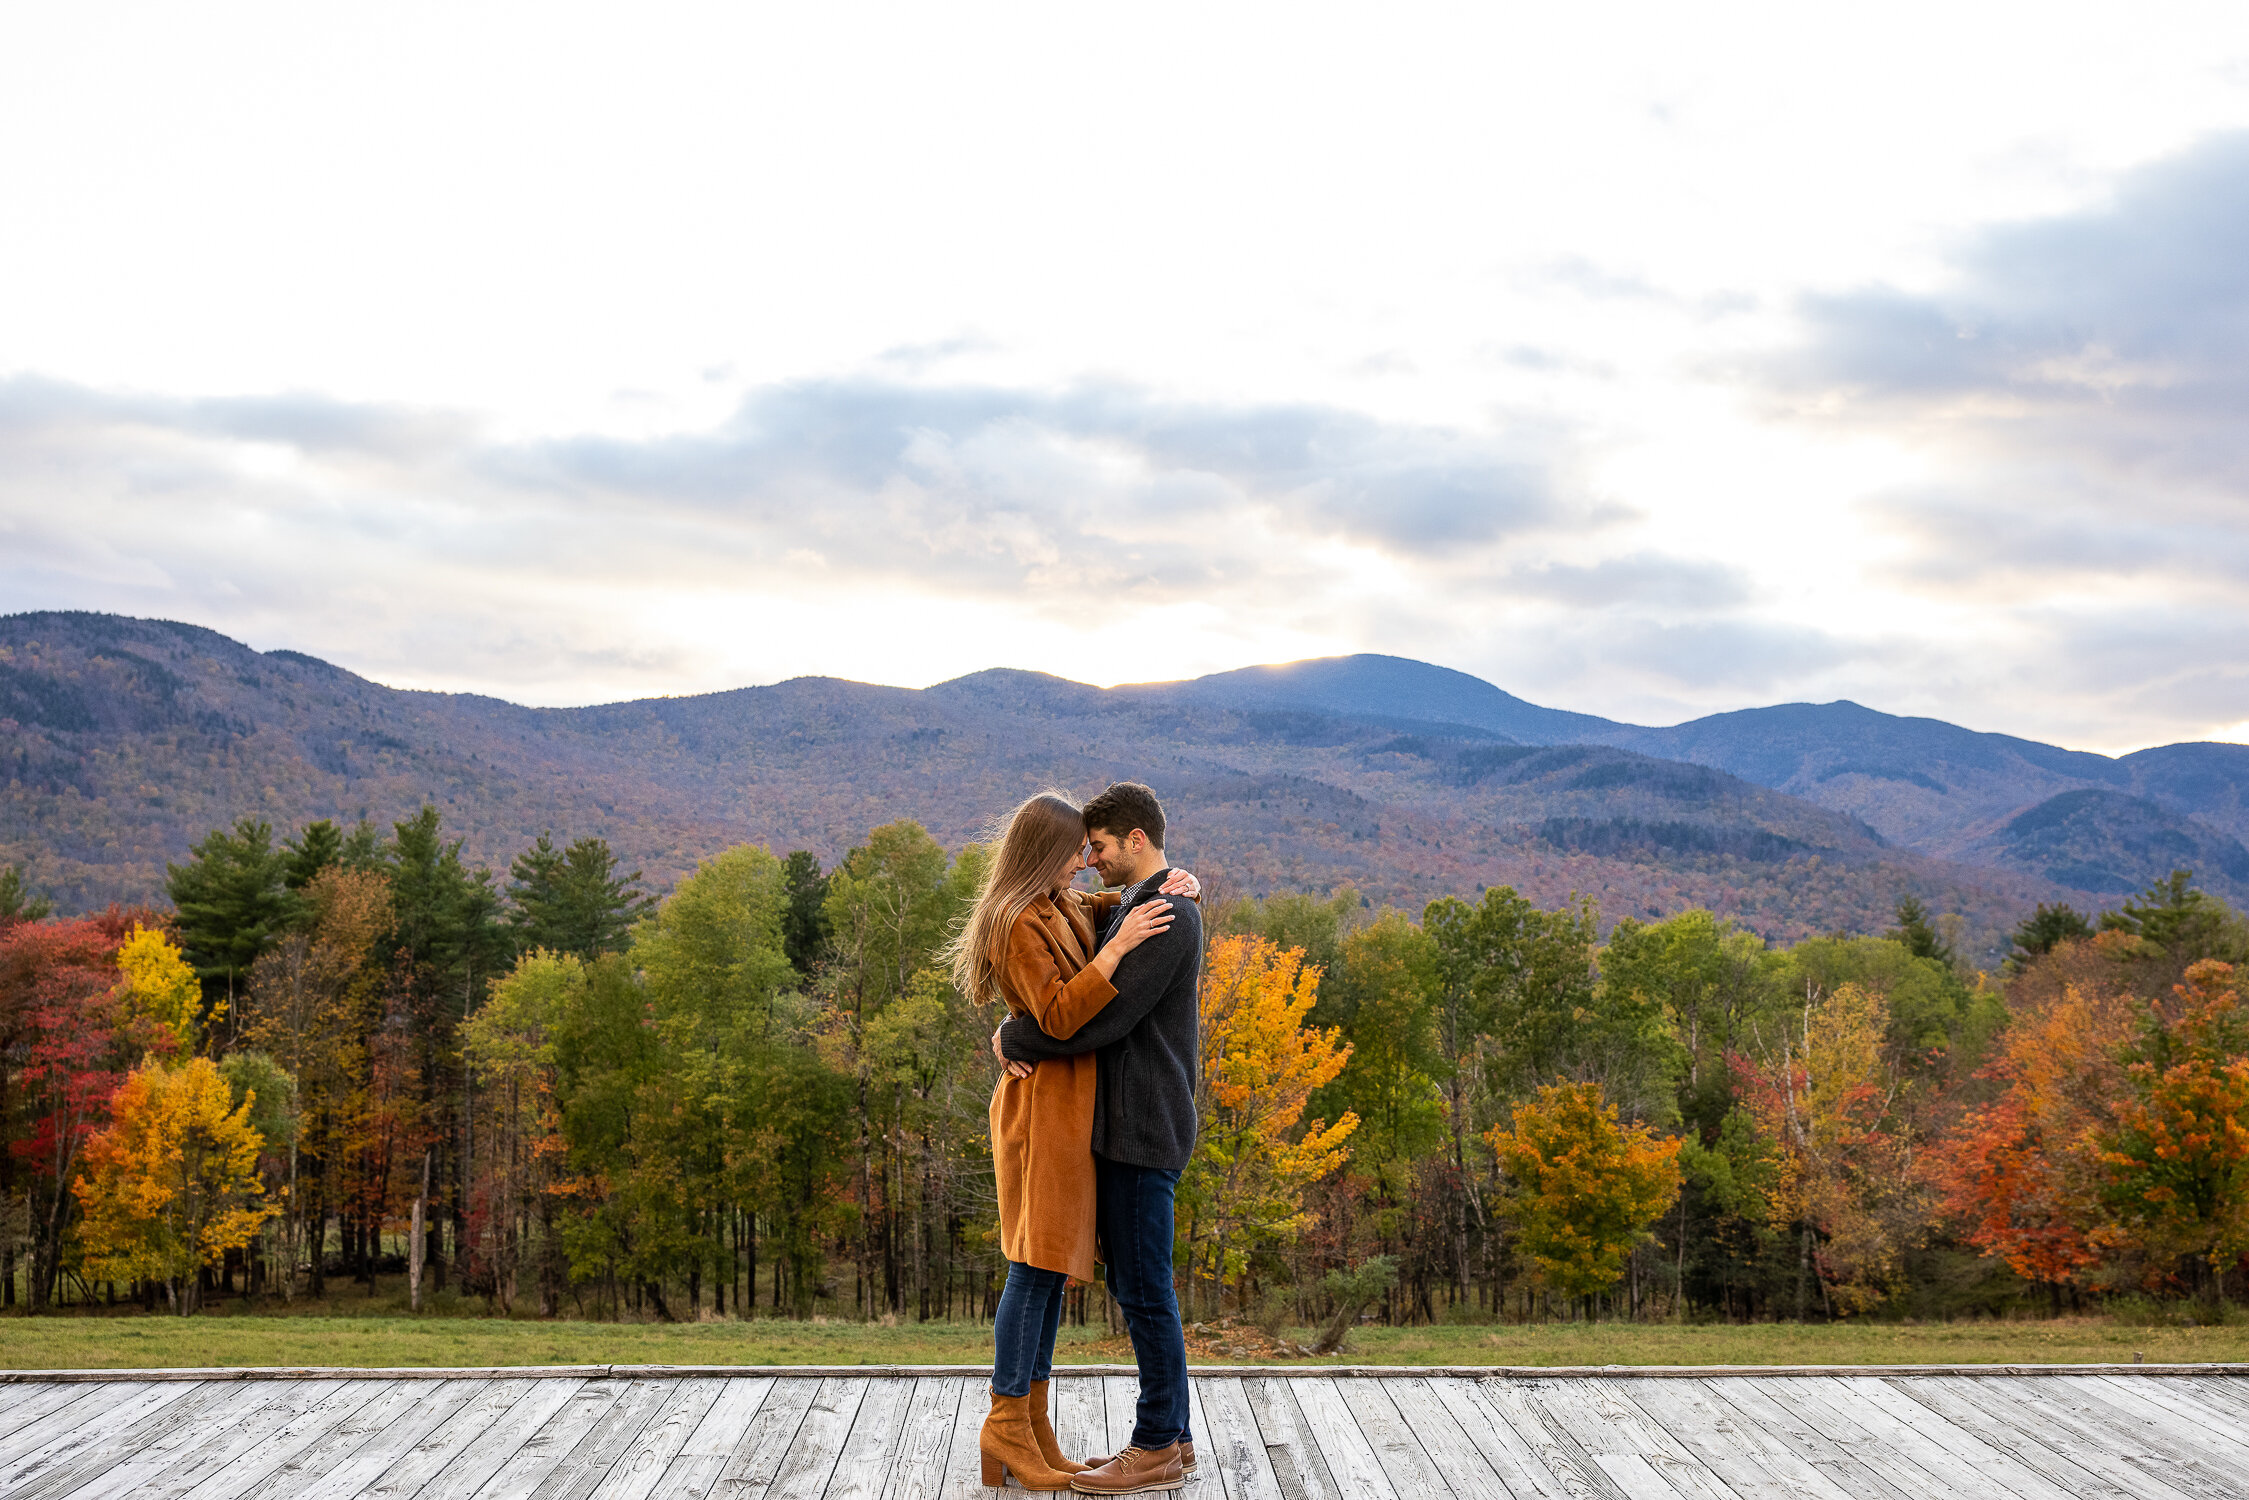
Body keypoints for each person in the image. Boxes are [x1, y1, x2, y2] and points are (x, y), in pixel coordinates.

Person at [947, 790, 1196, 1492]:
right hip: (1043, 1110)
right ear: (1043, 854)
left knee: (1053, 1267)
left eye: (1094, 849)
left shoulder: (1061, 905)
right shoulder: (1016, 917)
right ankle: (1008, 1424)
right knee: (1034, 1265)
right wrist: (1113, 948)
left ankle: (1035, 1427)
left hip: (1076, 1110)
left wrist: (1177, 887)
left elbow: (1110, 910)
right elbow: (1058, 1015)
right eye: (1074, 852)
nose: (1085, 863)